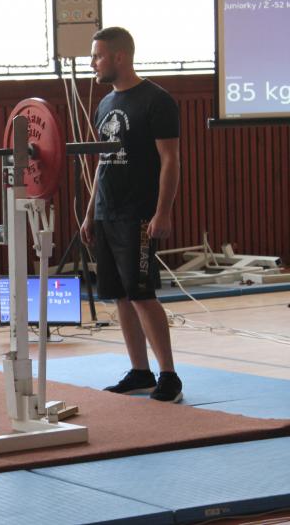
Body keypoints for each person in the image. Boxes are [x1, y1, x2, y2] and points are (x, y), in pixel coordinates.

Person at [80, 27, 183, 402]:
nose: (93, 63)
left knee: (141, 294)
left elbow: (170, 160)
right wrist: (90, 212)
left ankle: (169, 375)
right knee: (119, 296)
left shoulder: (157, 101)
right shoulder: (104, 104)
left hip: (138, 213)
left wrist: (162, 212)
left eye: (98, 56)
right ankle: (140, 371)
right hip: (106, 212)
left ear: (119, 57)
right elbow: (102, 162)